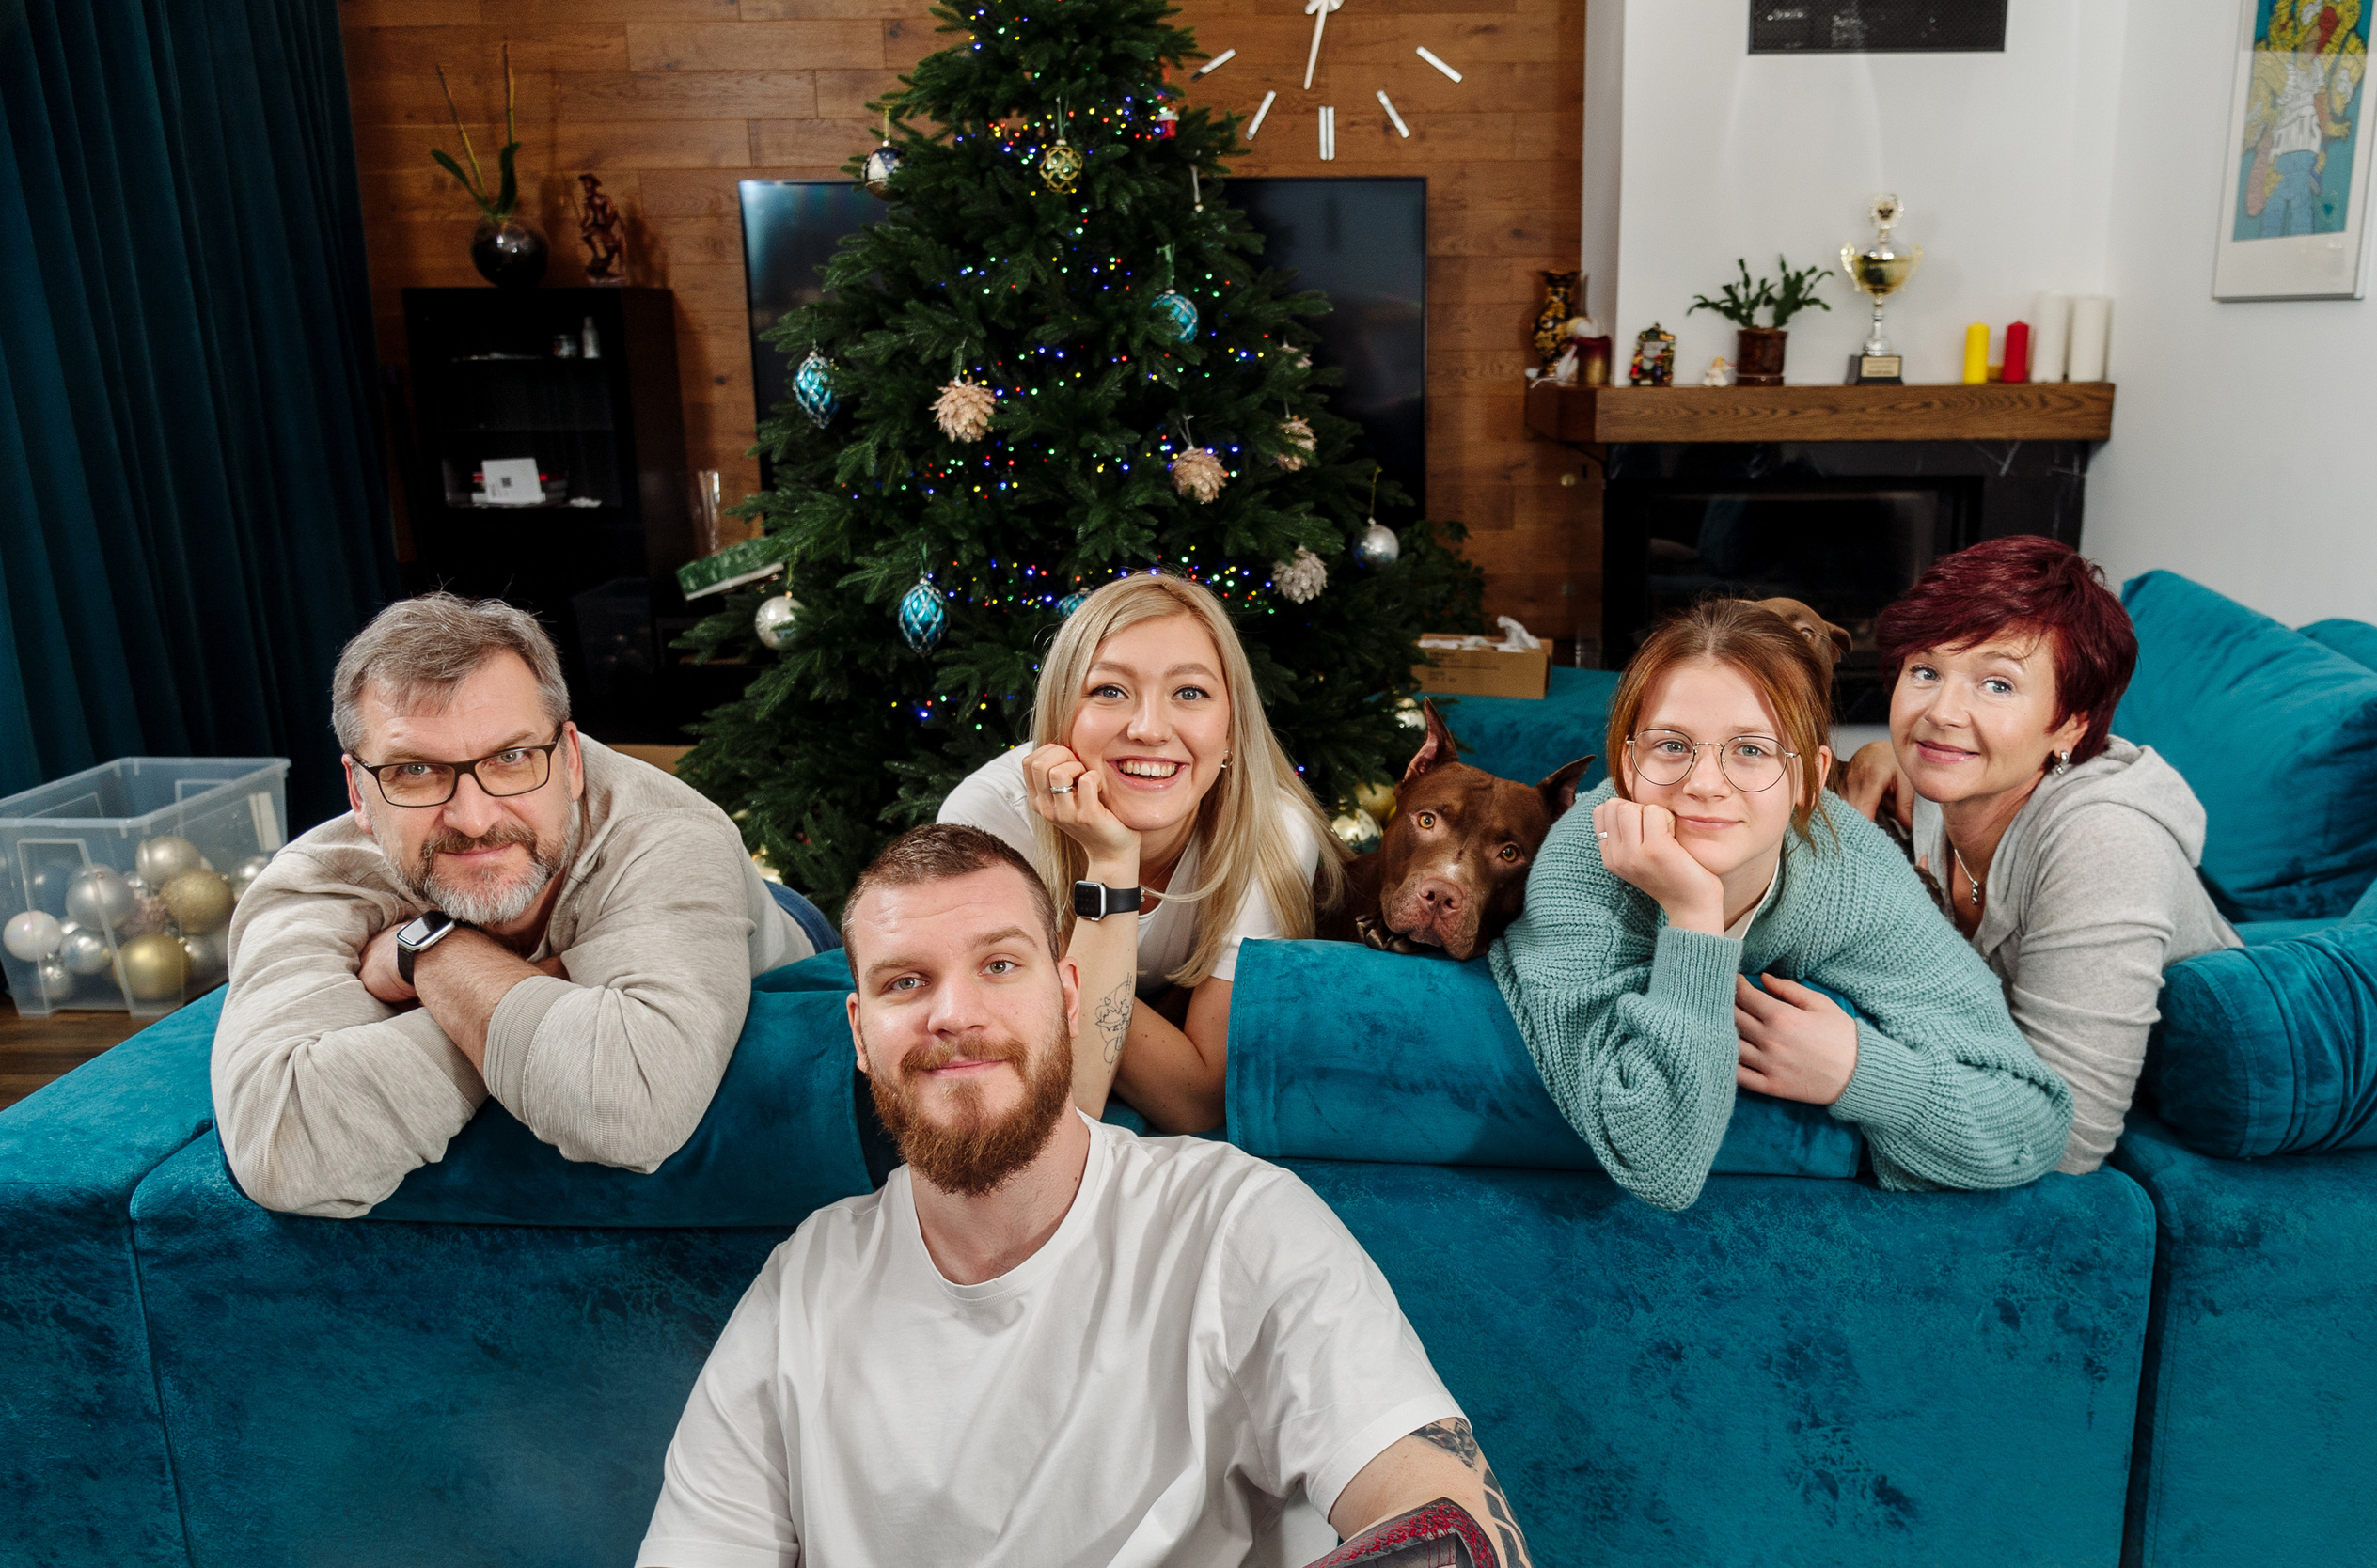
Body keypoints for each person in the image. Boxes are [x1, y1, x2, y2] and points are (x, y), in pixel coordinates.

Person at [636, 823, 1532, 1567]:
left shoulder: (1236, 1223)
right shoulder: (804, 1280)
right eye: (905, 982)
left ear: (1069, 997)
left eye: (999, 966)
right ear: (860, 1033)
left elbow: (1444, 1517)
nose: (953, 1013)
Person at [213, 593, 819, 1218]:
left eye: (511, 757)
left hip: (777, 933)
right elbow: (282, 1151)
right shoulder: (317, 881)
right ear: (358, 794)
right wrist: (542, 989)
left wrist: (433, 956)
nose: (474, 820)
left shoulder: (670, 835)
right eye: (415, 770)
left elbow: (631, 1108)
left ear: (572, 761)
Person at [1489, 599, 2072, 1212]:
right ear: (1627, 763)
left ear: (1811, 780)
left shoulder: (1850, 873)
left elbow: (2034, 1125)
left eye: (1751, 750)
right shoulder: (1582, 861)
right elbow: (1657, 1164)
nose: (1705, 783)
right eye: (1670, 745)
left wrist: (1857, 1070)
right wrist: (1694, 915)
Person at [1840, 537, 2241, 1173]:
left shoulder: (2105, 842)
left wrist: (1856, 1073)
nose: (1941, 712)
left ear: (2070, 725)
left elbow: (2069, 1138)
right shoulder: (1944, 783)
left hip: (2179, 1122)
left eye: (1997, 684)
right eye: (1925, 671)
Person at [938, 573, 1342, 1134]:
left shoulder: (1272, 831)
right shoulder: (987, 824)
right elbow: (1074, 1100)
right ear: (1059, 718)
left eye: (1190, 693)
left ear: (1230, 731)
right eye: (1109, 690)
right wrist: (1110, 862)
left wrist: (1058, 971)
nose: (1150, 729)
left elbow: (1198, 1102)